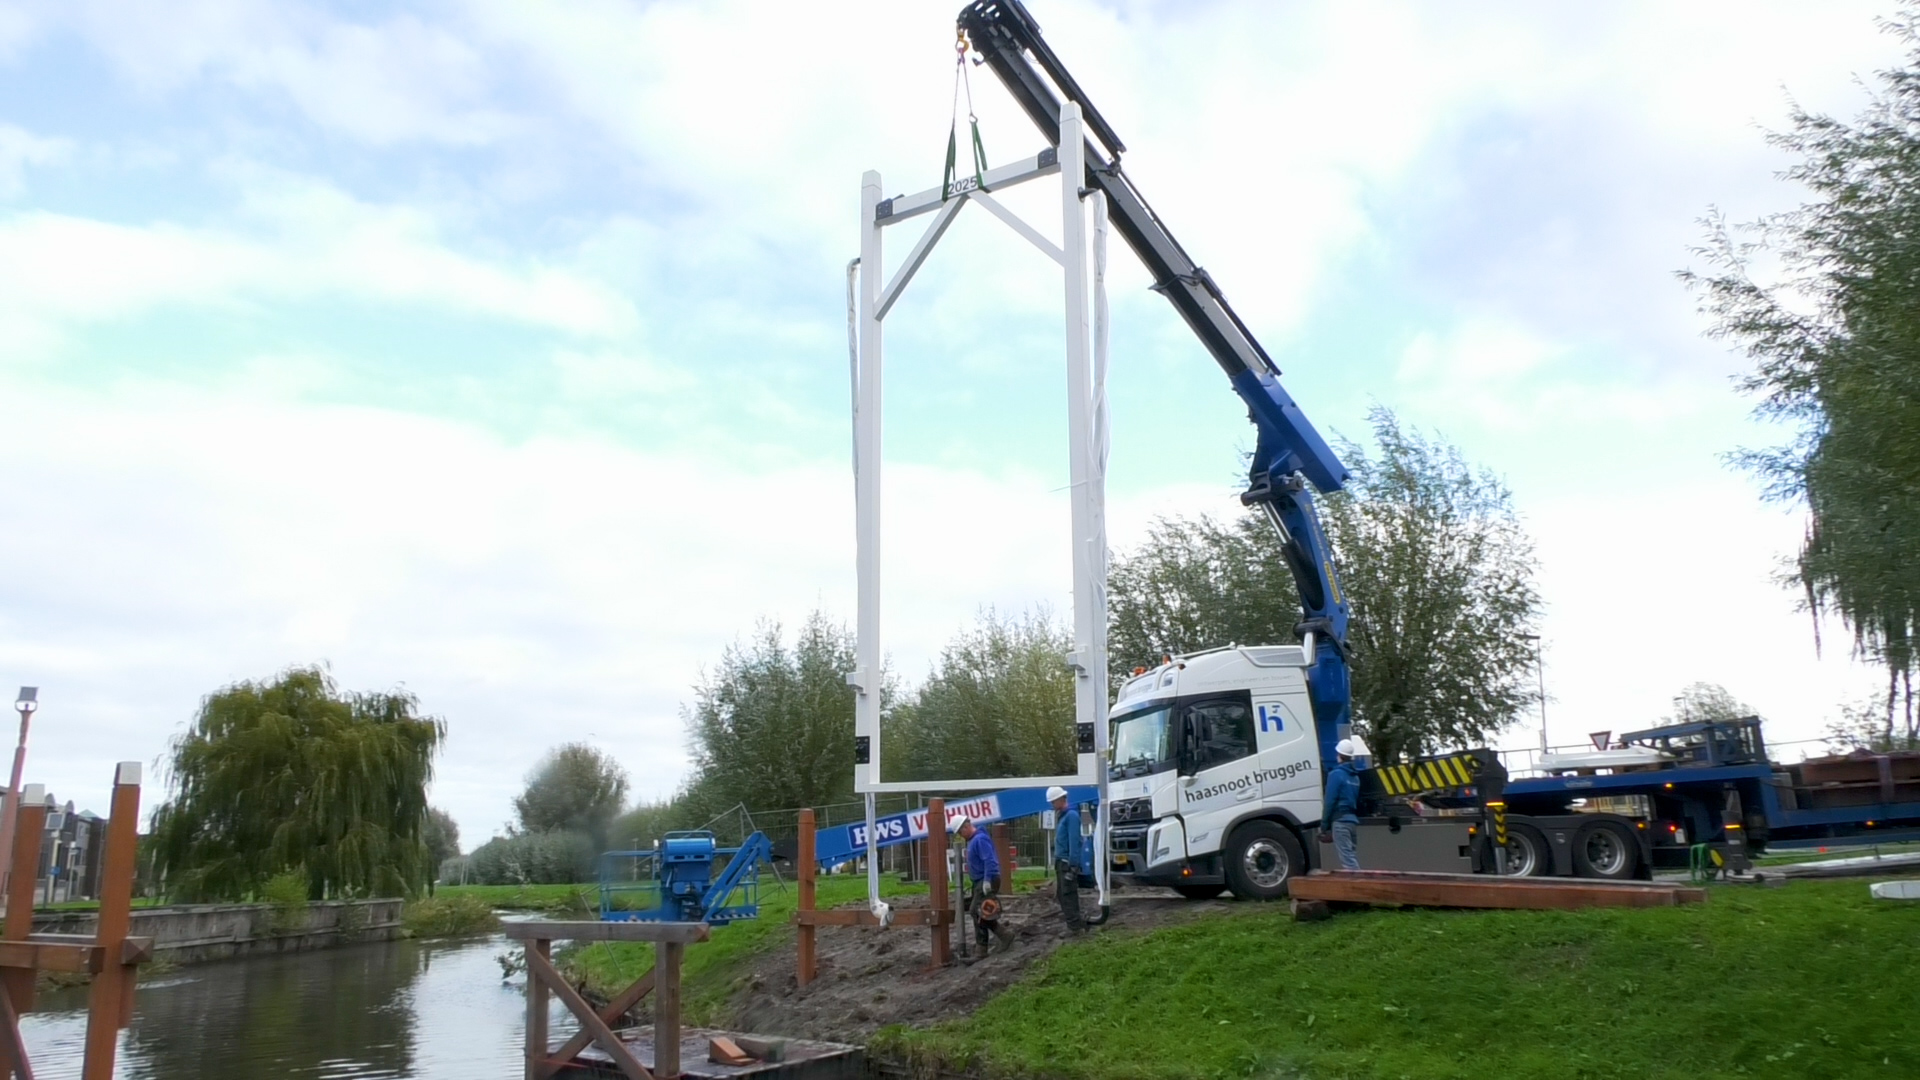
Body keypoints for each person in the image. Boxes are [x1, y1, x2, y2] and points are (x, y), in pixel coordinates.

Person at [957, 817, 1013, 957]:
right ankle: (991, 943)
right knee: (982, 911)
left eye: (960, 832)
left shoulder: (980, 840)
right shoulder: (975, 840)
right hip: (981, 880)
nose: (961, 836)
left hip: (986, 879)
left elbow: (989, 860)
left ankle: (990, 944)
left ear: (966, 827)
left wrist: (987, 880)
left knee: (977, 911)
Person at [1318, 738, 1363, 870]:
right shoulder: (1355, 777)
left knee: (1349, 863)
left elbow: (1329, 801)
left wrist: (1324, 825)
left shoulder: (1335, 775)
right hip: (1352, 822)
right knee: (1351, 856)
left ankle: (1359, 882)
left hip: (1340, 822)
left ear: (1339, 755)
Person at [1048, 786, 1086, 934]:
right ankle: (1075, 924)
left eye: (1053, 801)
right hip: (1061, 861)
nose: (1052, 805)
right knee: (1063, 894)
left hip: (1066, 862)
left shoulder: (1071, 816)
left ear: (1061, 799)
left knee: (1067, 894)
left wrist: (1073, 864)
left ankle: (1075, 927)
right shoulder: (1064, 816)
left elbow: (1074, 841)